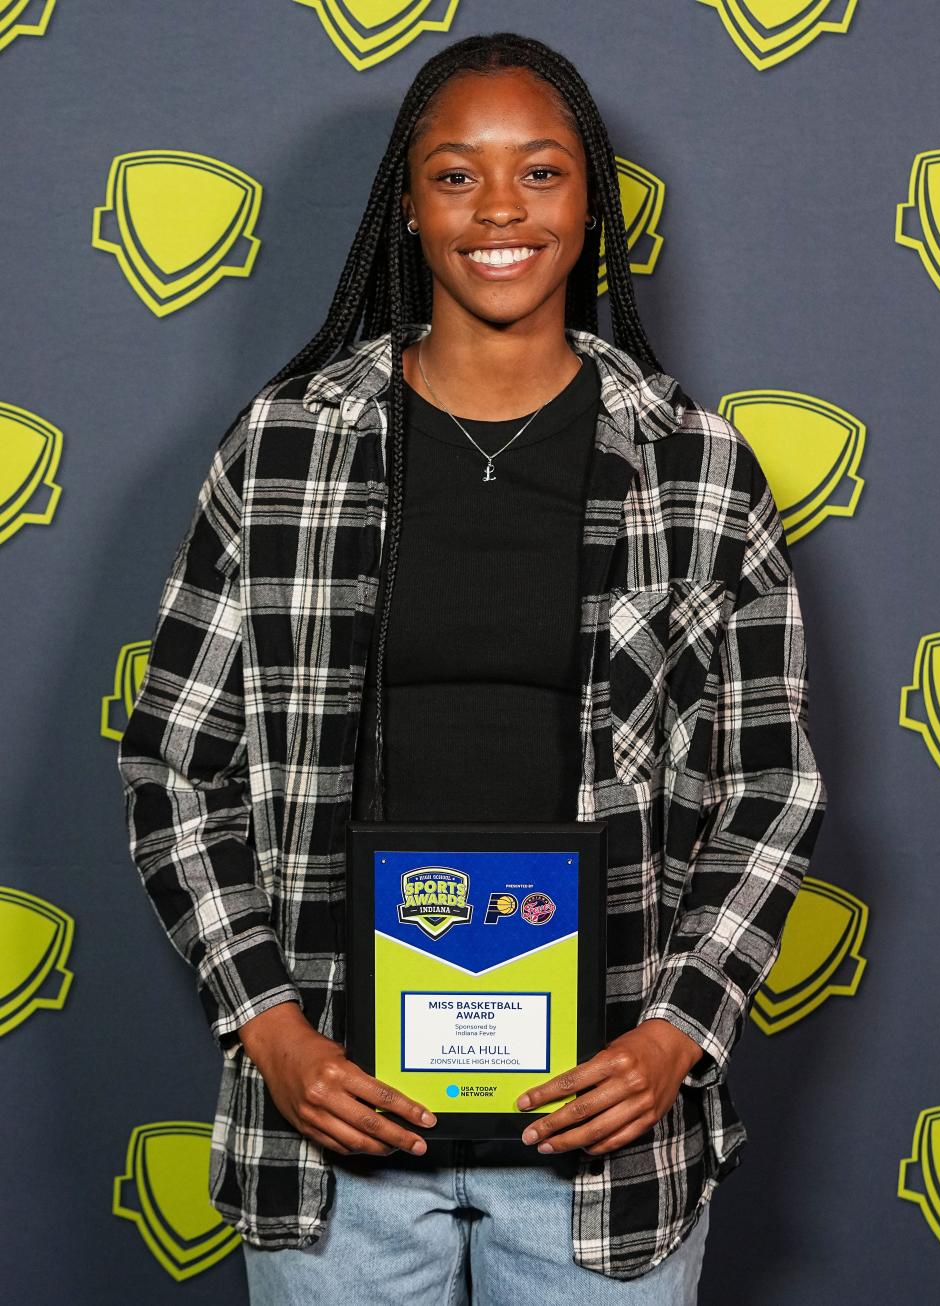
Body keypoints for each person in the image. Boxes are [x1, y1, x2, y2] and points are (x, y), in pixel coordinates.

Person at [117, 30, 828, 1305]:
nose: (499, 209)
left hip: (603, 1140)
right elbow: (173, 764)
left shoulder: (697, 465)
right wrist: (270, 1029)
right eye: (456, 174)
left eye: (541, 172)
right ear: (407, 201)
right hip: (335, 1133)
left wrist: (677, 1036)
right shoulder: (286, 448)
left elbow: (769, 786)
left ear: (591, 198)